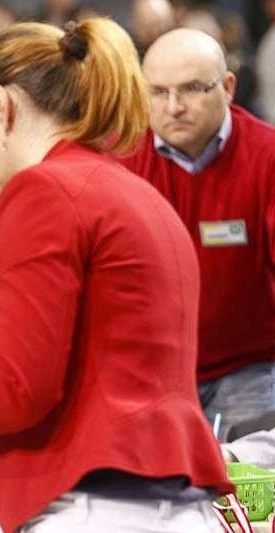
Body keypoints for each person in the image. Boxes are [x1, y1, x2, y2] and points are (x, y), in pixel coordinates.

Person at [0, 18, 232, 533]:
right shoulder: (132, 190)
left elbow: (20, 390)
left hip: (100, 506)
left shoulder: (43, 193)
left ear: (1, 106)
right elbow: (71, 375)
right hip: (162, 502)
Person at [117, 28, 275, 441]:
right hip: (147, 372)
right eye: (158, 92)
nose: (173, 107)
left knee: (244, 490)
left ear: (227, 87)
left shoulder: (267, 158)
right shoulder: (121, 160)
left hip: (246, 370)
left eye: (190, 89)